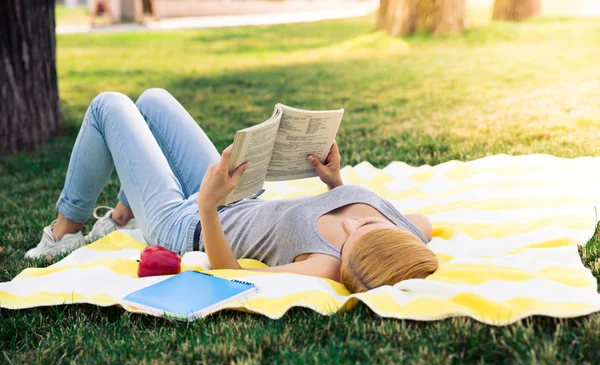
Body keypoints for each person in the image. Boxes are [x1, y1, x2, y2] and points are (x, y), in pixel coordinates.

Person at [25, 89, 438, 293]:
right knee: (152, 101)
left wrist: (206, 205)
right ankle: (118, 220)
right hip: (242, 195)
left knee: (107, 105)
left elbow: (232, 276)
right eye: (363, 228)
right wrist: (335, 183)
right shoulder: (411, 232)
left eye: (348, 243)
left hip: (186, 224)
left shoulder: (326, 266)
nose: (350, 228)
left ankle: (64, 232)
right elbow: (422, 231)